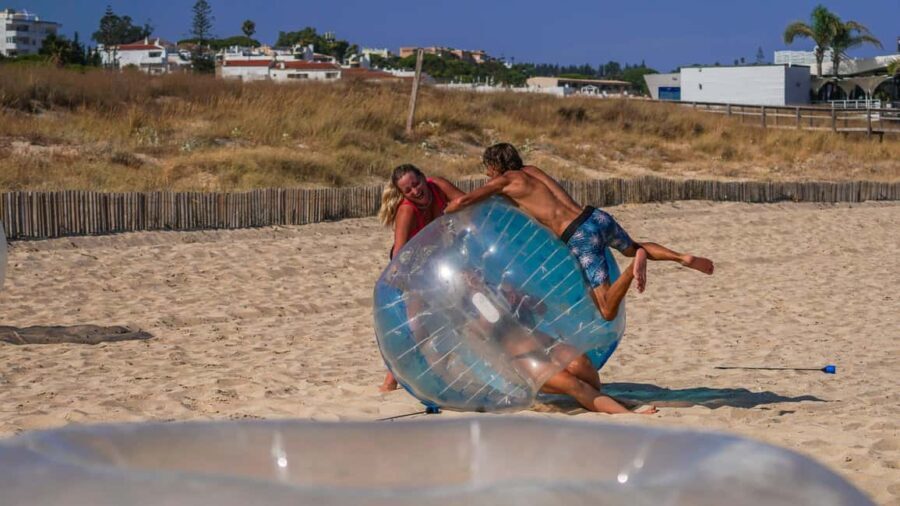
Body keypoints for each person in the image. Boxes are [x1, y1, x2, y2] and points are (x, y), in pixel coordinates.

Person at [445, 143, 714, 323]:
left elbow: (462, 202)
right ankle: (680, 257)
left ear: (494, 166)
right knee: (633, 244)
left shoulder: (505, 181)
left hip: (579, 237)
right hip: (594, 216)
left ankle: (635, 265)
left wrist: (449, 210)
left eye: (488, 169)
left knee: (607, 309)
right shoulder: (533, 171)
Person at [377, 164, 464, 391]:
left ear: (425, 178)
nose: (415, 191)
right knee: (414, 323)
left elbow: (466, 202)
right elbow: (399, 253)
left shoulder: (438, 186)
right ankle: (391, 378)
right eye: (408, 190)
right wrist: (403, 281)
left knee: (448, 313)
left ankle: (441, 366)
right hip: (411, 264)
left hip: (438, 258)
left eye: (416, 184)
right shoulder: (407, 211)